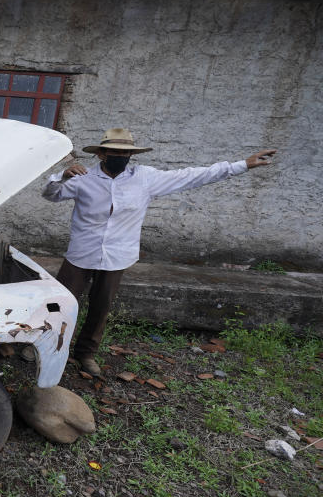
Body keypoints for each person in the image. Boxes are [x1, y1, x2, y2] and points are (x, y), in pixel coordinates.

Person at [42, 127, 276, 375]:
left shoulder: (144, 178)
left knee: (100, 308)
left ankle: (85, 354)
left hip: (118, 256)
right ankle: (46, 346)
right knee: (61, 304)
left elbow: (194, 175)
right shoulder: (82, 177)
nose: (121, 157)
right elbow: (50, 195)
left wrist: (242, 165)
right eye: (114, 152)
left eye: (126, 153)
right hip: (81, 253)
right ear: (101, 154)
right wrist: (61, 176)